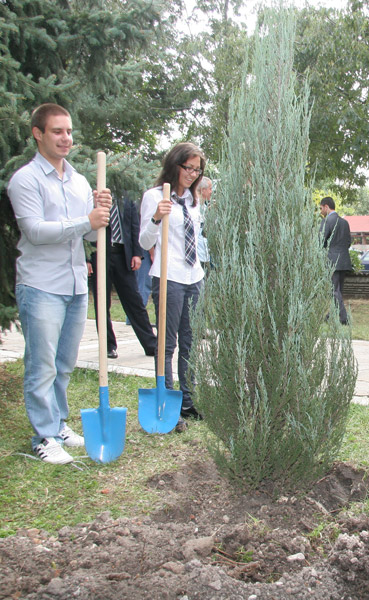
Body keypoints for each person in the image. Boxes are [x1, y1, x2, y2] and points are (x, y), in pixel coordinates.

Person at [8, 103, 111, 464]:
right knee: (42, 364)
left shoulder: (80, 181)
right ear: (38, 133)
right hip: (41, 286)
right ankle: (44, 436)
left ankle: (59, 423)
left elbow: (93, 234)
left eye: (68, 131)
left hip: (75, 286)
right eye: (57, 131)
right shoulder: (26, 180)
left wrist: (100, 213)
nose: (66, 138)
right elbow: (35, 231)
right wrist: (87, 220)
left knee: (64, 363)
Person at [139, 142, 206, 422]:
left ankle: (187, 401)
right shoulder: (154, 196)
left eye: (197, 170)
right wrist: (157, 217)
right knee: (167, 343)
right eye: (187, 167)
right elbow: (144, 241)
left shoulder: (194, 200)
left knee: (190, 341)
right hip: (169, 276)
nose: (191, 174)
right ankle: (166, 402)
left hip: (194, 276)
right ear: (174, 165)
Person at [88, 193, 157, 359]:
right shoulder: (93, 195)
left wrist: (137, 253)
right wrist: (86, 258)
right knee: (102, 302)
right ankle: (108, 345)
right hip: (98, 253)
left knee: (134, 300)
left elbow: (134, 225)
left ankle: (151, 344)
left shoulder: (126, 194)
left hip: (122, 253)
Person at [320, 196, 353, 325]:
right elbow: (349, 242)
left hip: (332, 259)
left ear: (327, 206)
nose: (321, 211)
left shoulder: (327, 221)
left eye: (321, 208)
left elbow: (321, 241)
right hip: (344, 259)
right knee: (338, 290)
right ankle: (331, 315)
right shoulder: (345, 222)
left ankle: (344, 318)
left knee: (334, 290)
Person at [196, 177, 212, 272]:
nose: (211, 191)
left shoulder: (204, 206)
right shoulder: (195, 208)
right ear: (203, 190)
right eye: (210, 188)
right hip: (198, 256)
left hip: (205, 254)